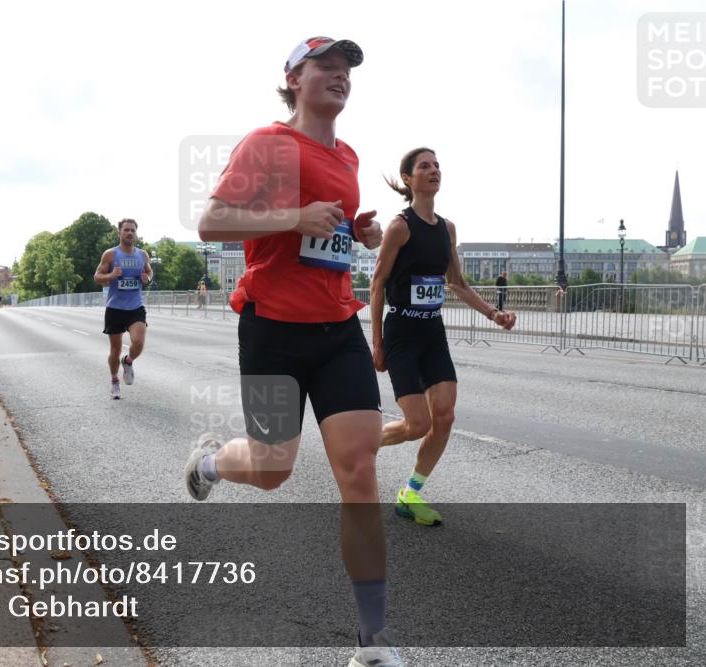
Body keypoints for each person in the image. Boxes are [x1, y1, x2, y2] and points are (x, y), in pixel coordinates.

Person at [181, 37, 400, 667]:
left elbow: (324, 235)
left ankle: (373, 641)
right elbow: (213, 222)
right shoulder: (268, 144)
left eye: (347, 69)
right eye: (325, 67)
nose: (339, 76)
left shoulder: (350, 155)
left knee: (358, 473)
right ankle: (210, 464)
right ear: (293, 79)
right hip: (273, 327)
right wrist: (293, 217)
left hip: (338, 329)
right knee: (274, 469)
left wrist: (357, 232)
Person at [371, 147, 517, 528]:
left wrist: (494, 314)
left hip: (432, 331)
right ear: (408, 179)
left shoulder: (447, 229)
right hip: (401, 330)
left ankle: (410, 493)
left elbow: (457, 283)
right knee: (416, 424)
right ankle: (361, 444)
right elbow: (377, 283)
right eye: (425, 166)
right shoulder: (400, 227)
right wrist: (377, 342)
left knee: (445, 417)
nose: (434, 170)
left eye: (437, 165)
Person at [94, 218, 152, 400]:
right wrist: (112, 275)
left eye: (132, 230)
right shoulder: (111, 255)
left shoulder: (142, 255)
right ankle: (114, 382)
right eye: (126, 230)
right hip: (115, 308)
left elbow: (149, 272)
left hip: (135, 306)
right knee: (115, 349)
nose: (129, 233)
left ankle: (128, 362)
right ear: (119, 233)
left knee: (139, 342)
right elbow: (97, 276)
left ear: (136, 233)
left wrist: (147, 278)